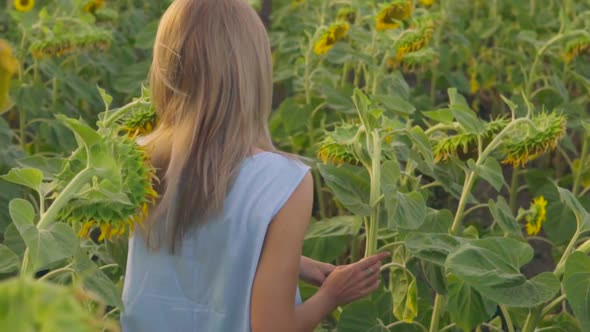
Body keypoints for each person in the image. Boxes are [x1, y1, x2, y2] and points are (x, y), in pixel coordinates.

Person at [120, 0, 389, 331]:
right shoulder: (281, 182)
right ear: (253, 70)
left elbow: (186, 247)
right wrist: (330, 295)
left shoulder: (133, 158)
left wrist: (293, 264)